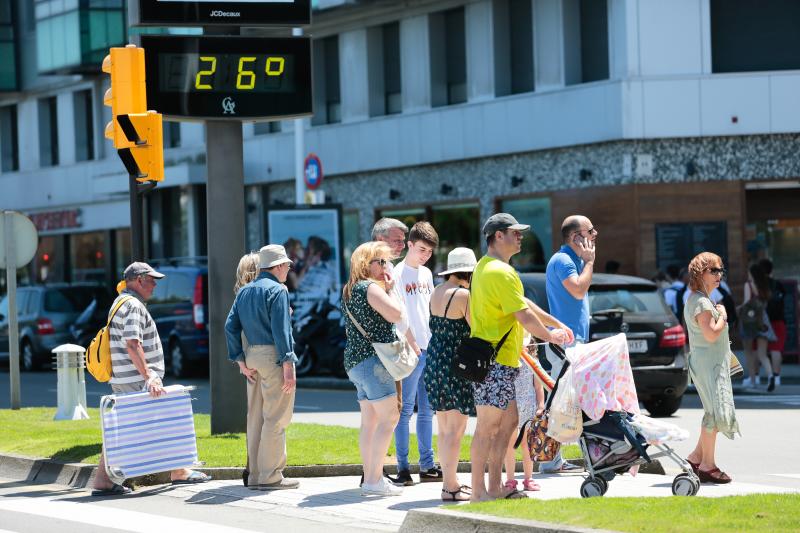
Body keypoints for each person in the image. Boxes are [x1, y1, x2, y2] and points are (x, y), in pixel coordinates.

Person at [469, 213, 571, 502]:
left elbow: (524, 303)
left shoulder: (490, 268)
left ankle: (495, 487)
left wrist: (555, 324)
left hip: (505, 360)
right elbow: (523, 314)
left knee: (510, 423)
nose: (520, 236)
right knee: (487, 428)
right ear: (497, 236)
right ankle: (479, 492)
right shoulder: (499, 272)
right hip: (494, 361)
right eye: (515, 232)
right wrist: (551, 336)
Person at [92, 262, 211, 496]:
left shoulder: (119, 303)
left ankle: (177, 470)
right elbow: (132, 343)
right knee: (142, 425)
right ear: (138, 280)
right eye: (151, 280)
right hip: (137, 379)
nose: (155, 285)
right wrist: (149, 377)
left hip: (127, 378)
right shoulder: (133, 306)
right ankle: (176, 472)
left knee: (136, 426)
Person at [225, 245, 299, 491]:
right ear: (277, 266)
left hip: (252, 356)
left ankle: (256, 474)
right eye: (287, 265)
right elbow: (282, 330)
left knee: (255, 417)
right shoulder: (278, 290)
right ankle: (270, 476)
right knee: (277, 417)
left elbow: (230, 326)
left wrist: (240, 360)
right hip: (274, 356)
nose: (289, 269)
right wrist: (288, 364)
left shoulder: (245, 291)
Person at [342, 241, 405, 497]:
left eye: (387, 262)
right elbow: (396, 314)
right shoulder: (370, 288)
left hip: (357, 361)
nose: (386, 267)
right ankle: (374, 479)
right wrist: (390, 290)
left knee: (369, 422)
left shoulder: (349, 289)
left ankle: (370, 478)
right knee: (390, 418)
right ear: (365, 264)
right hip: (375, 361)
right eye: (381, 262)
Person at [541, 214, 597, 474]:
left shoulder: (573, 260)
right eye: (590, 231)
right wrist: (589, 263)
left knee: (571, 401)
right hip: (563, 343)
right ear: (576, 237)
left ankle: (555, 459)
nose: (594, 235)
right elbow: (577, 290)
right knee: (560, 402)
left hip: (574, 342)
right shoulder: (564, 260)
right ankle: (550, 461)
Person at [424, 247, 477, 501]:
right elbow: (476, 328)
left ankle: (449, 482)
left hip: (434, 360)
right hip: (456, 363)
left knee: (444, 427)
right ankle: (450, 486)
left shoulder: (437, 291)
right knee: (456, 429)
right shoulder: (464, 295)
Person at [683, 252, 739, 484]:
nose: (719, 275)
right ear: (700, 273)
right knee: (714, 414)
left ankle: (696, 458)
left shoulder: (698, 299)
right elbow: (710, 334)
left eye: (721, 270)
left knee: (713, 412)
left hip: (708, 363)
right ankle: (707, 465)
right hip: (709, 365)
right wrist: (723, 316)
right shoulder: (702, 302)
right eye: (713, 270)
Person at [392, 222, 441, 485]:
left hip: (429, 347)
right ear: (409, 244)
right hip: (409, 350)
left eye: (429, 252)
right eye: (421, 249)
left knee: (427, 411)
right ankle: (402, 467)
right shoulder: (398, 273)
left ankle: (427, 464)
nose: (425, 255)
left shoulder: (426, 274)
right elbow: (399, 314)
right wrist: (411, 342)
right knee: (405, 411)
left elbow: (430, 309)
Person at [503, 337, 545, 494]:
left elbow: (538, 387)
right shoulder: (508, 360)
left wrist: (541, 405)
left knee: (527, 446)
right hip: (512, 408)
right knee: (510, 445)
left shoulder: (533, 362)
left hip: (528, 410)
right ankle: (510, 480)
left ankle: (529, 479)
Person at [740, 263, 775, 391]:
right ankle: (771, 376)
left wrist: (738, 309)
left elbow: (747, 302)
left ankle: (753, 381)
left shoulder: (748, 285)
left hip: (750, 321)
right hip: (763, 320)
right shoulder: (764, 287)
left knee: (749, 352)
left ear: (752, 274)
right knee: (762, 354)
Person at [759, 259, 786, 388]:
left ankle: (755, 377)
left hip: (763, 321)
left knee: (757, 350)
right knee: (776, 349)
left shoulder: (758, 285)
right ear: (771, 270)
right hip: (779, 320)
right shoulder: (778, 284)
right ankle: (777, 377)